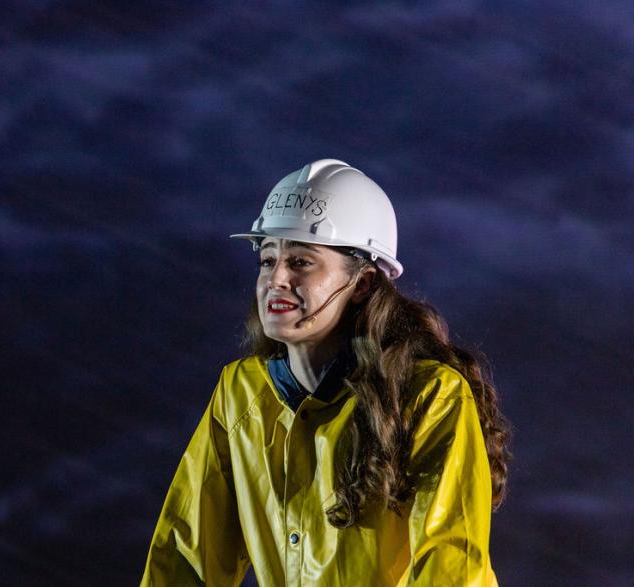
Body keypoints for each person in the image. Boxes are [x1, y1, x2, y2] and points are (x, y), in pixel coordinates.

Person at [140, 159, 511, 586]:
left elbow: (449, 568)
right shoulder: (241, 394)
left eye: (301, 261)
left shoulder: (429, 397)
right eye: (267, 260)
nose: (276, 278)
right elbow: (185, 558)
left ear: (365, 283)